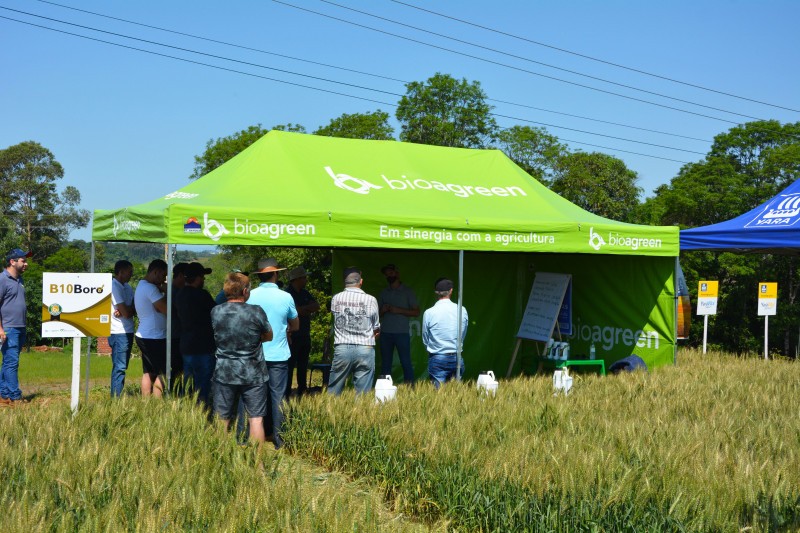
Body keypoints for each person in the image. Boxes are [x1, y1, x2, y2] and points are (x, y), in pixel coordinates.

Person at [210, 272, 272, 443]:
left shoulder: (216, 311)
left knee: (222, 418)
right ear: (245, 291)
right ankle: (258, 465)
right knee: (256, 419)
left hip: (224, 371)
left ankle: (219, 462)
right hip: (253, 372)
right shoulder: (256, 311)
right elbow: (269, 335)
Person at [247, 258, 298, 449]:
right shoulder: (286, 297)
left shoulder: (250, 295)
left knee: (254, 396)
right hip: (279, 354)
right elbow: (296, 324)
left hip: (255, 353)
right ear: (276, 274)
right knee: (278, 397)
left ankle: (253, 434)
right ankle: (280, 439)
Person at [328, 267, 380, 396]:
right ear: (361, 281)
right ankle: (360, 415)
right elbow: (376, 327)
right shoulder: (371, 299)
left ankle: (330, 414)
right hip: (365, 348)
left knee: (334, 390)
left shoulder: (336, 298)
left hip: (342, 347)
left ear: (344, 282)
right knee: (363, 394)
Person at [175, 262, 216, 407]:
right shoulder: (202, 295)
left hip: (186, 345)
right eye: (203, 276)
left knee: (189, 384)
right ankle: (202, 415)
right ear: (197, 278)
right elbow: (216, 313)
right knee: (203, 385)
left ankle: (188, 413)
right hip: (203, 346)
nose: (204, 280)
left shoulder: (179, 295)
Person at [421, 278, 468, 389]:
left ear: (436, 292)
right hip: (457, 356)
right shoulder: (462, 310)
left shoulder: (429, 312)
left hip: (437, 357)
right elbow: (463, 333)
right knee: (455, 396)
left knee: (438, 397)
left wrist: (433, 348)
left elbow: (425, 337)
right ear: (451, 291)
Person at [378, 263, 419, 385]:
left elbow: (416, 312)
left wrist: (398, 310)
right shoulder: (384, 292)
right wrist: (383, 310)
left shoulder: (408, 292)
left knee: (406, 362)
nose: (388, 276)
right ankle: (384, 391)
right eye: (386, 275)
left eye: (391, 273)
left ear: (397, 273)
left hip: (402, 333)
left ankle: (410, 390)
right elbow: (377, 315)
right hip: (385, 333)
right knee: (385, 364)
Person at [0, 248, 31, 405]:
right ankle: (15, 397)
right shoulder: (2, 279)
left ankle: (4, 395)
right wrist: (0, 329)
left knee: (8, 362)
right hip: (8, 328)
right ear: (12, 262)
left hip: (20, 327)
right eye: (23, 261)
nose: (26, 264)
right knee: (12, 362)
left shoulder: (20, 280)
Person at [134, 259, 168, 397]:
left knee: (148, 372)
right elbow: (164, 309)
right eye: (163, 275)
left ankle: (146, 403)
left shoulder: (142, 285)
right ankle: (157, 405)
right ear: (155, 272)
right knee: (163, 373)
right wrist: (167, 293)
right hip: (154, 336)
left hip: (145, 334)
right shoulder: (151, 288)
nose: (163, 280)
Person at [285, 266, 319, 398]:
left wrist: (302, 309)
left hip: (305, 335)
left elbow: (316, 306)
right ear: (297, 279)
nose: (306, 279)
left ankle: (302, 391)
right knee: (289, 366)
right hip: (292, 336)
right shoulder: (287, 294)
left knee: (303, 366)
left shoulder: (305, 293)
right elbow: (295, 311)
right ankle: (287, 392)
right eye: (304, 277)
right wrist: (304, 310)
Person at [108, 260, 135, 397]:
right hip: (118, 332)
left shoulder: (128, 287)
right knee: (120, 367)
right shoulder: (114, 287)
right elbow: (126, 312)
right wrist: (126, 310)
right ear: (121, 272)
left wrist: (126, 310)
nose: (131, 274)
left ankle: (117, 394)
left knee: (122, 366)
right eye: (129, 272)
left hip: (128, 330)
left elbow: (134, 308)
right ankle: (115, 399)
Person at [170, 262, 189, 394]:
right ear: (181, 275)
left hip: (179, 335)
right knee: (177, 368)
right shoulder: (173, 292)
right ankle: (176, 394)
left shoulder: (174, 290)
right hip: (174, 336)